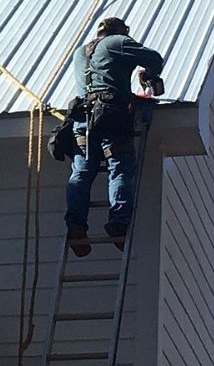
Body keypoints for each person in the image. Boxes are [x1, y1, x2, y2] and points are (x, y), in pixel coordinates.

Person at [65, 17, 164, 257]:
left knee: (81, 172)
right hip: (111, 116)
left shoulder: (81, 52)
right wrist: (147, 74)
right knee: (119, 167)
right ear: (120, 31)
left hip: (83, 119)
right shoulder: (118, 42)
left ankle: (76, 226)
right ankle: (118, 221)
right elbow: (155, 59)